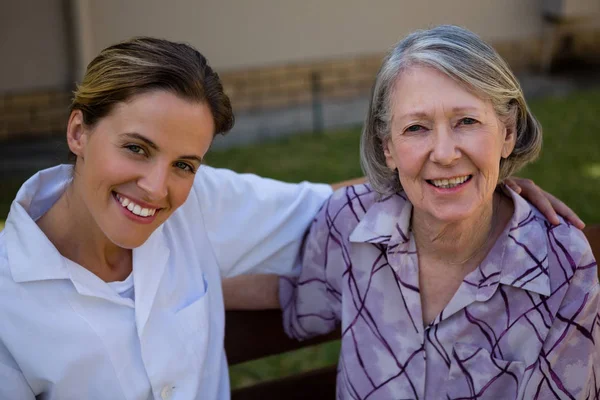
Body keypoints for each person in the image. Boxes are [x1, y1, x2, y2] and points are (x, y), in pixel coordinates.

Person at [0, 36, 584, 400]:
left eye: (185, 162)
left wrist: (482, 181)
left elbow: (325, 204)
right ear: (78, 131)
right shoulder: (10, 306)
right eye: (135, 147)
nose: (156, 187)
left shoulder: (196, 201)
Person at [273, 26, 599, 399]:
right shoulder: (349, 222)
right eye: (416, 127)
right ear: (388, 150)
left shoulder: (560, 262)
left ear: (507, 133)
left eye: (467, 121)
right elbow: (297, 300)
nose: (444, 153)